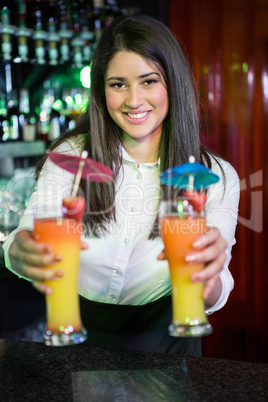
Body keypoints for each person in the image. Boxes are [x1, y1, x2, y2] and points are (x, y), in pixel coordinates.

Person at [3, 14, 240, 356]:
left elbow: (219, 285)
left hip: (168, 342)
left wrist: (208, 279)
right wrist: (20, 251)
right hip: (77, 336)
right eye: (118, 84)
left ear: (173, 83)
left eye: (148, 81)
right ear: (101, 90)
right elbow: (29, 232)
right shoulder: (72, 157)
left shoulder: (215, 175)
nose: (133, 100)